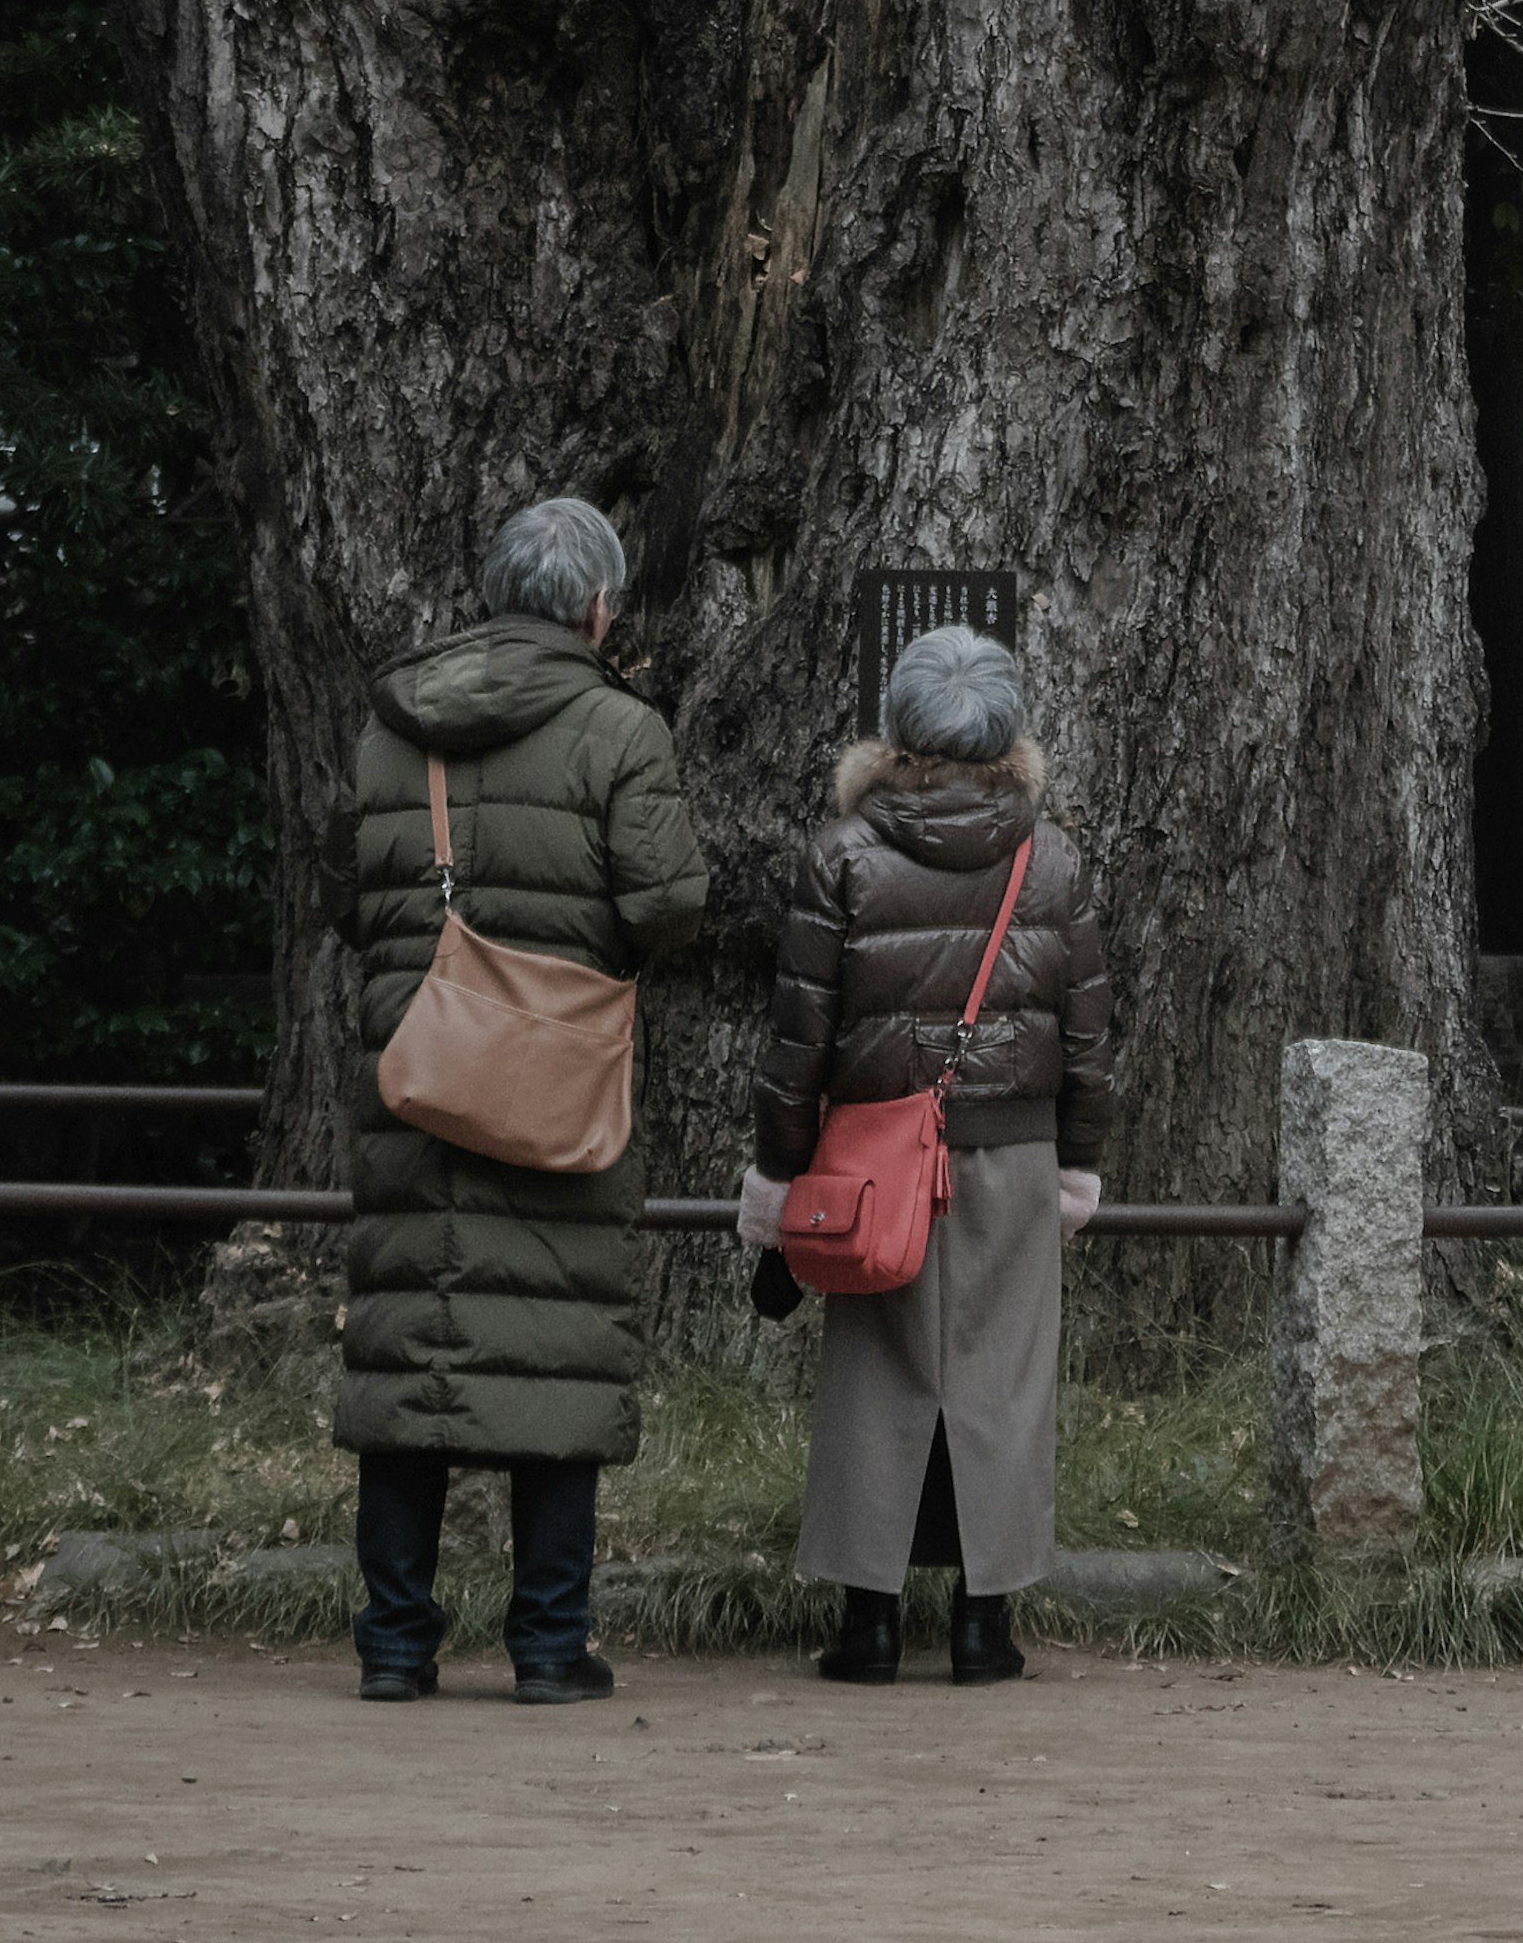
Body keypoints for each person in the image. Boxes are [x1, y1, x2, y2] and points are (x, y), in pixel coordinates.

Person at [338, 491, 708, 1703]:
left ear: (496, 592)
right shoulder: (620, 728)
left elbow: (349, 890)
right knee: (559, 1351)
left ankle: (395, 1647)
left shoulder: (394, 730)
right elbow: (664, 902)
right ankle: (549, 1647)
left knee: (409, 1355)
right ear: (600, 607)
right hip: (554, 1077)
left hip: (417, 1067)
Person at [739, 619, 1116, 1688]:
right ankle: (985, 1624)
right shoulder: (1051, 858)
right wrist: (1078, 1159)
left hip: (872, 1158)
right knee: (1003, 1381)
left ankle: (867, 1622)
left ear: (898, 724)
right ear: (1008, 731)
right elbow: (1086, 1038)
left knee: (876, 1378)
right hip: (1011, 1151)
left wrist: (780, 1169)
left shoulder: (843, 852)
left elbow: (797, 1038)